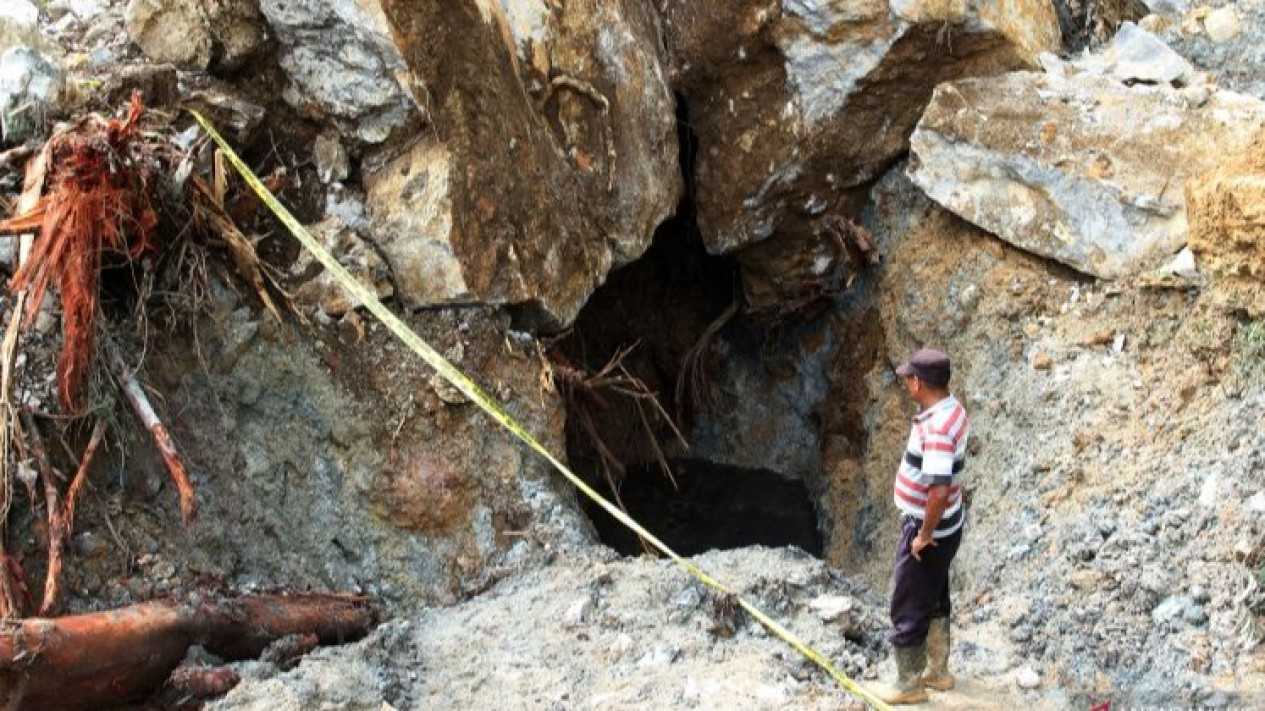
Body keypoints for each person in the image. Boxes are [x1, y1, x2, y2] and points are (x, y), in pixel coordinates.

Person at [882, 347, 969, 705]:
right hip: (949, 526)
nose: (906, 384)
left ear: (919, 382)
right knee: (935, 595)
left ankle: (908, 684)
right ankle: (938, 671)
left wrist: (923, 536)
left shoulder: (935, 429)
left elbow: (938, 491)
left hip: (930, 528)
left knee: (908, 601)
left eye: (908, 379)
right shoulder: (953, 410)